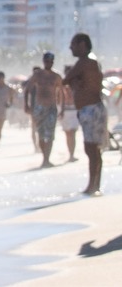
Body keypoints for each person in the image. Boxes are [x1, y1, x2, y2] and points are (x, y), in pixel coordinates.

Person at [64, 32, 106, 196]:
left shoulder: (85, 62)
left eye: (73, 44)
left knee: (91, 149)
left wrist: (74, 79)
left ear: (82, 45)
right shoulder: (91, 62)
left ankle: (93, 185)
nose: (70, 48)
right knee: (94, 149)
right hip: (93, 108)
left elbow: (65, 80)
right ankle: (94, 184)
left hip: (91, 109)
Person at [25, 52, 63, 168]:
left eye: (51, 61)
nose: (49, 63)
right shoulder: (38, 75)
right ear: (43, 61)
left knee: (50, 134)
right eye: (47, 61)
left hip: (51, 107)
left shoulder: (56, 76)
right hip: (39, 107)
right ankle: (44, 158)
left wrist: (63, 108)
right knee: (40, 133)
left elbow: (61, 92)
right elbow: (28, 89)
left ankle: (47, 158)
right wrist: (26, 105)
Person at [60, 69, 79, 163]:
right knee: (68, 134)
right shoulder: (62, 85)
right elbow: (59, 98)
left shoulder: (76, 84)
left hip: (74, 110)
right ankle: (70, 153)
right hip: (66, 111)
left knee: (72, 133)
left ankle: (72, 154)